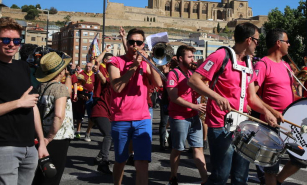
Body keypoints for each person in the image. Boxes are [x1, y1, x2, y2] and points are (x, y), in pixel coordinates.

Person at [188, 22, 279, 185]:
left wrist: (266, 112)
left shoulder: (249, 63)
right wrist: (216, 97)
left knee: (240, 178)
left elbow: (252, 97)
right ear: (249, 40)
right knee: (220, 176)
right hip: (220, 125)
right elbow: (194, 80)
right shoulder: (220, 56)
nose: (258, 44)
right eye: (257, 40)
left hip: (243, 127)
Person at [108, 28, 163, 185]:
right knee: (120, 160)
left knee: (142, 162)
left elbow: (158, 84)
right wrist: (133, 67)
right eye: (131, 42)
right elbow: (117, 87)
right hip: (121, 118)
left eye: (138, 43)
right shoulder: (115, 61)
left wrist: (149, 63)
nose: (134, 45)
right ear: (127, 43)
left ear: (143, 45)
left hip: (143, 118)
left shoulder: (145, 63)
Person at [0, 17, 49, 184]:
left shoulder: (22, 67)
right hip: (4, 147)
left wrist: (41, 142)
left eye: (16, 40)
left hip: (29, 147)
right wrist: (19, 103)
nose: (11, 44)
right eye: (5, 39)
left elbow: (33, 105)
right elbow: (24, 102)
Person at [253, 28, 303, 185]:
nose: (289, 44)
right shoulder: (262, 65)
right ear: (278, 43)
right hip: (271, 124)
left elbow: (288, 94)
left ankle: (278, 181)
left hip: (289, 121)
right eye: (287, 41)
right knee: (270, 169)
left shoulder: (286, 66)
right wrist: (270, 112)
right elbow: (253, 95)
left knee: (300, 158)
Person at [166, 45, 207, 185]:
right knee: (177, 149)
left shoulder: (192, 73)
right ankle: (173, 176)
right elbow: (173, 97)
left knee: (198, 148)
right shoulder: (173, 73)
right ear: (180, 58)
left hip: (194, 116)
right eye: (190, 57)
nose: (192, 60)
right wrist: (195, 106)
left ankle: (205, 180)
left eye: (193, 57)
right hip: (179, 117)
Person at [32, 52, 74, 185]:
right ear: (61, 71)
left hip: (40, 134)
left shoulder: (40, 87)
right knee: (53, 175)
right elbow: (59, 115)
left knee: (40, 173)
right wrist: (49, 138)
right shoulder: (60, 89)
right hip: (56, 136)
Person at [91, 49, 114, 174]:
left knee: (113, 136)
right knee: (108, 135)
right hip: (100, 110)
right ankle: (103, 162)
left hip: (111, 113)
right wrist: (98, 71)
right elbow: (103, 79)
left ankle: (100, 157)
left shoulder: (121, 81)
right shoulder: (108, 79)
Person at [80, 62, 96, 142]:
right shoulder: (82, 74)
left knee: (92, 115)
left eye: (89, 66)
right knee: (81, 115)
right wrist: (82, 94)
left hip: (92, 95)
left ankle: (88, 132)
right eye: (86, 66)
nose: (88, 68)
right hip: (83, 95)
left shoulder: (94, 74)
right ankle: (80, 131)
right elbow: (78, 85)